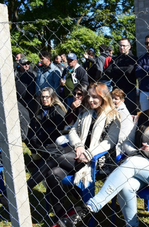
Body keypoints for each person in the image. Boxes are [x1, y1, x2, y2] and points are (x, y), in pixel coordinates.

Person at [57, 83, 149, 227]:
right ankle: (131, 225)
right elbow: (127, 143)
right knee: (125, 186)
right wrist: (139, 152)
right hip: (138, 165)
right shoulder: (143, 117)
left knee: (132, 162)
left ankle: (90, 208)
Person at [27, 82, 121, 221]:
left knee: (55, 157)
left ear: (104, 97)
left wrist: (88, 153)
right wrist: (78, 146)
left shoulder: (113, 116)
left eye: (95, 97)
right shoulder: (86, 112)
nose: (90, 100)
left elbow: (109, 142)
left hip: (97, 162)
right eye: (89, 96)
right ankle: (61, 217)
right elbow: (72, 130)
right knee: (53, 173)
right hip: (76, 156)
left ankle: (25, 190)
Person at [27, 87, 67, 158]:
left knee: (34, 139)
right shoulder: (41, 108)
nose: (44, 99)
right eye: (42, 97)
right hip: (43, 134)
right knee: (30, 138)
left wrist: (43, 132)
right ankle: (40, 154)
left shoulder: (57, 108)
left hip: (54, 134)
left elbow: (60, 127)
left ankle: (45, 154)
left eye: (47, 97)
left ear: (52, 97)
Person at [105, 38, 138, 114]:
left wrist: (115, 68)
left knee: (130, 113)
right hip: (116, 90)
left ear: (129, 46)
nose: (122, 47)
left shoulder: (134, 59)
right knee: (115, 113)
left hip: (129, 90)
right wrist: (124, 69)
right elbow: (108, 71)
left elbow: (130, 70)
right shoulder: (115, 59)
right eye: (120, 45)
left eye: (124, 46)